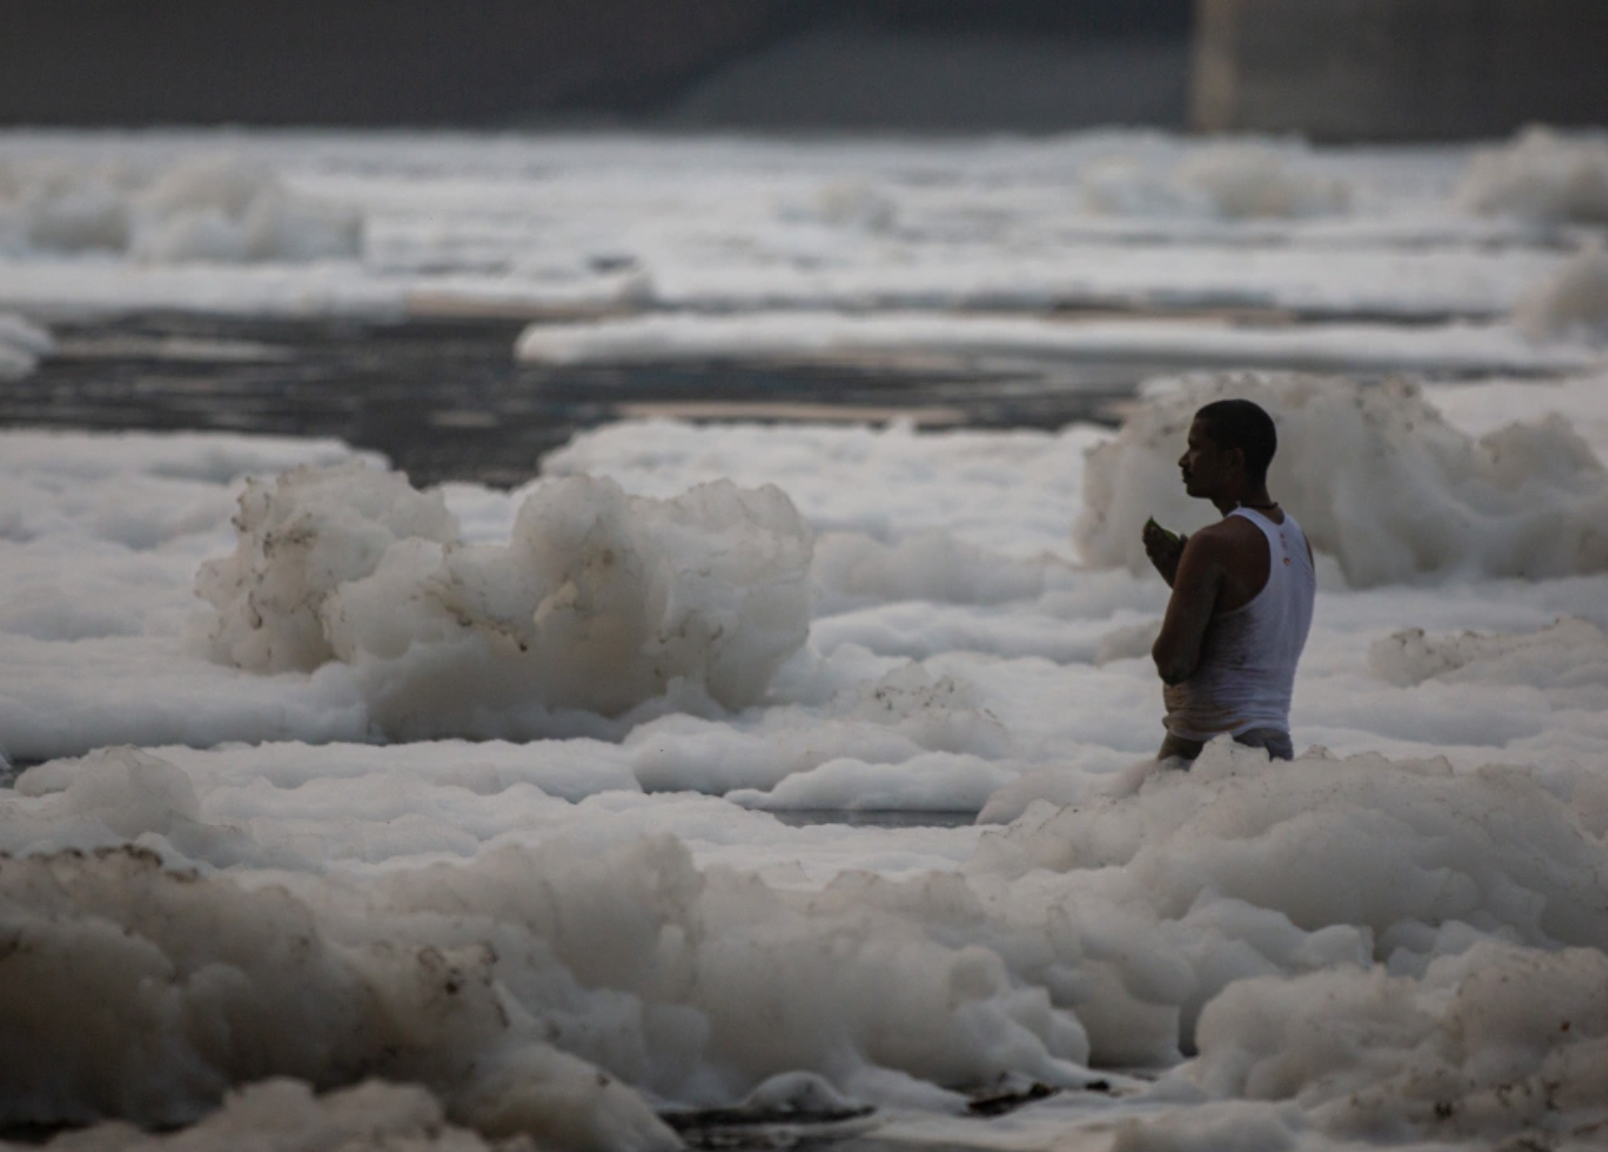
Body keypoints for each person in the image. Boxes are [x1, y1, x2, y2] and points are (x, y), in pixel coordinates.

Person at [1141, 399, 1315, 763]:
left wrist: (1187, 581)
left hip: (1209, 756)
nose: (1183, 460)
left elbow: (1173, 664)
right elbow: (1251, 629)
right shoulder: (1296, 537)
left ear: (1233, 460)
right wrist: (1184, 582)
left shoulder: (1212, 544)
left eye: (1196, 447)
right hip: (1274, 749)